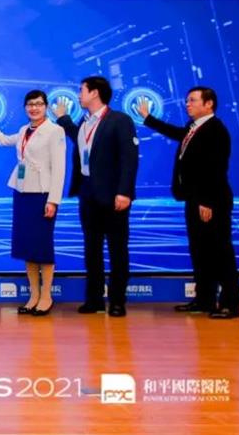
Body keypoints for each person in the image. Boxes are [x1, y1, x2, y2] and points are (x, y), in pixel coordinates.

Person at [138, 87, 239, 319]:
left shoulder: (215, 130)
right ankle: (204, 300)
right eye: (187, 100)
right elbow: (175, 132)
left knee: (220, 253)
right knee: (200, 252)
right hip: (195, 199)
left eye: (193, 100)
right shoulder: (193, 128)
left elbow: (215, 168)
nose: (187, 104)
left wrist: (206, 201)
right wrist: (148, 118)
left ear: (209, 104)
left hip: (211, 201)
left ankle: (230, 303)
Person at [53, 75, 138, 317]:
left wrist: (124, 192)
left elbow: (129, 159)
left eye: (82, 90)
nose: (79, 95)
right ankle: (94, 299)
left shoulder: (119, 120)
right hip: (88, 192)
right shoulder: (85, 122)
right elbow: (78, 138)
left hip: (113, 195)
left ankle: (118, 301)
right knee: (92, 248)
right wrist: (63, 118)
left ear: (95, 93)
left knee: (117, 249)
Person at [0, 90, 66, 316]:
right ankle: (33, 295)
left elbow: (59, 169)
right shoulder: (23, 130)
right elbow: (3, 140)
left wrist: (53, 200)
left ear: (46, 107)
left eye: (38, 104)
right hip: (22, 192)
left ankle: (46, 296)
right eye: (30, 104)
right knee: (27, 246)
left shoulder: (55, 131)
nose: (34, 108)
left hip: (42, 195)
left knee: (42, 246)